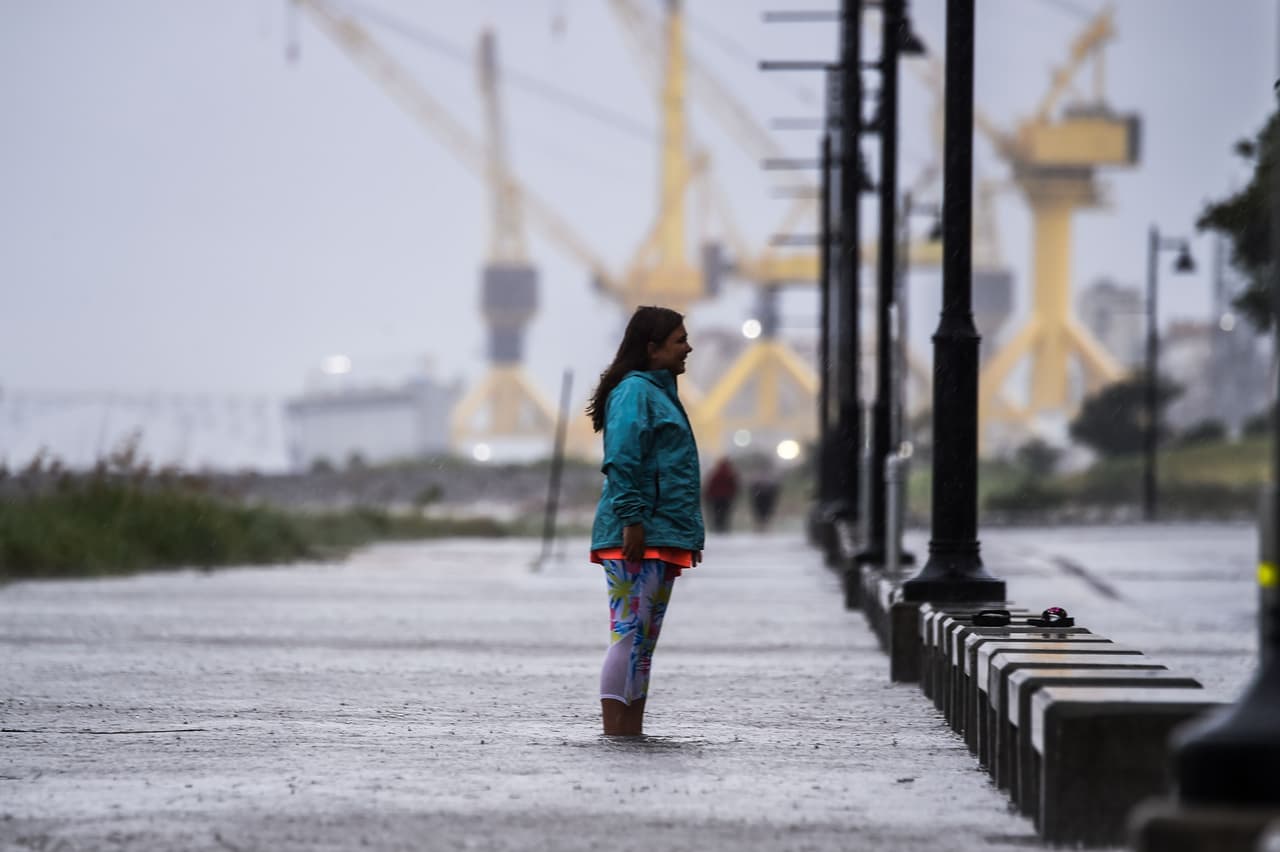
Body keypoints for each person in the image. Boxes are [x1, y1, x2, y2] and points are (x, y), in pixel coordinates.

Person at [586, 306, 704, 737]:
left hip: (661, 533)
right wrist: (632, 520)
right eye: (680, 340)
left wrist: (686, 535)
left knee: (644, 642)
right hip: (636, 534)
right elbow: (622, 459)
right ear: (653, 349)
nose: (688, 348)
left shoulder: (659, 392)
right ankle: (615, 731)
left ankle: (630, 731)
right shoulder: (635, 392)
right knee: (628, 633)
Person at [704, 457, 740, 533]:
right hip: (726, 497)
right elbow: (735, 486)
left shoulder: (716, 473)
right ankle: (723, 527)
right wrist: (733, 495)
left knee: (717, 513)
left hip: (716, 497)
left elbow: (710, 486)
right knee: (725, 513)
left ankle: (717, 527)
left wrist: (708, 496)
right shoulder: (731, 474)